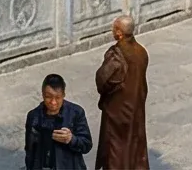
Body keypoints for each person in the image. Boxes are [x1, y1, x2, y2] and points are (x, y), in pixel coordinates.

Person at [94, 15, 148, 170]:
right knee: (134, 145)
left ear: (119, 32)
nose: (112, 31)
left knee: (116, 148)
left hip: (118, 111)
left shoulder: (116, 54)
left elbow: (102, 79)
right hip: (136, 105)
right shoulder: (141, 51)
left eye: (114, 28)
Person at [24, 74, 93, 170]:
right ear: (43, 94)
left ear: (63, 95)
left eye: (58, 98)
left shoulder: (76, 113)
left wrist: (71, 139)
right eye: (48, 97)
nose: (53, 102)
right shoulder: (34, 117)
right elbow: (30, 150)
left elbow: (87, 145)